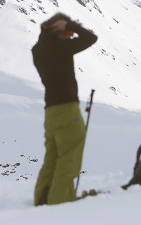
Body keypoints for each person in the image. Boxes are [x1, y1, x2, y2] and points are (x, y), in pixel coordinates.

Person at [31, 12, 98, 206]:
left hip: (50, 111)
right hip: (67, 108)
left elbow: (47, 40)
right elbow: (90, 38)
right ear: (57, 29)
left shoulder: (38, 49)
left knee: (51, 159)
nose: (71, 34)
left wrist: (59, 28)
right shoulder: (60, 47)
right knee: (68, 159)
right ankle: (59, 204)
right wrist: (70, 25)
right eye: (69, 30)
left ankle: (42, 199)